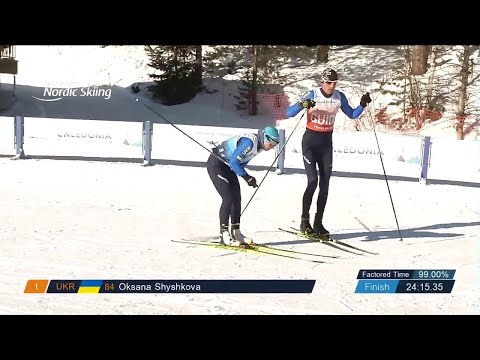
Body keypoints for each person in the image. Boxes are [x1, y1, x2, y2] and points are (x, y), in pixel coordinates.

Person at [285, 67, 371, 237]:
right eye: (329, 82)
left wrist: (362, 104)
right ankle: (304, 221)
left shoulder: (339, 97)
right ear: (322, 82)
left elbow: (352, 115)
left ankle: (318, 223)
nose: (332, 86)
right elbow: (289, 112)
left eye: (334, 82)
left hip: (326, 143)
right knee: (312, 181)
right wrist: (303, 105)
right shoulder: (312, 94)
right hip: (310, 141)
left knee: (325, 184)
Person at [207, 126, 280, 247]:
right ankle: (224, 234)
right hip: (217, 165)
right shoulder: (249, 143)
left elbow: (239, 162)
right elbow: (234, 162)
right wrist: (247, 177)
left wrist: (246, 176)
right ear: (266, 138)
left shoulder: (259, 146)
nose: (272, 147)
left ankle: (236, 232)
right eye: (272, 144)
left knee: (237, 198)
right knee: (228, 198)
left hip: (228, 167)